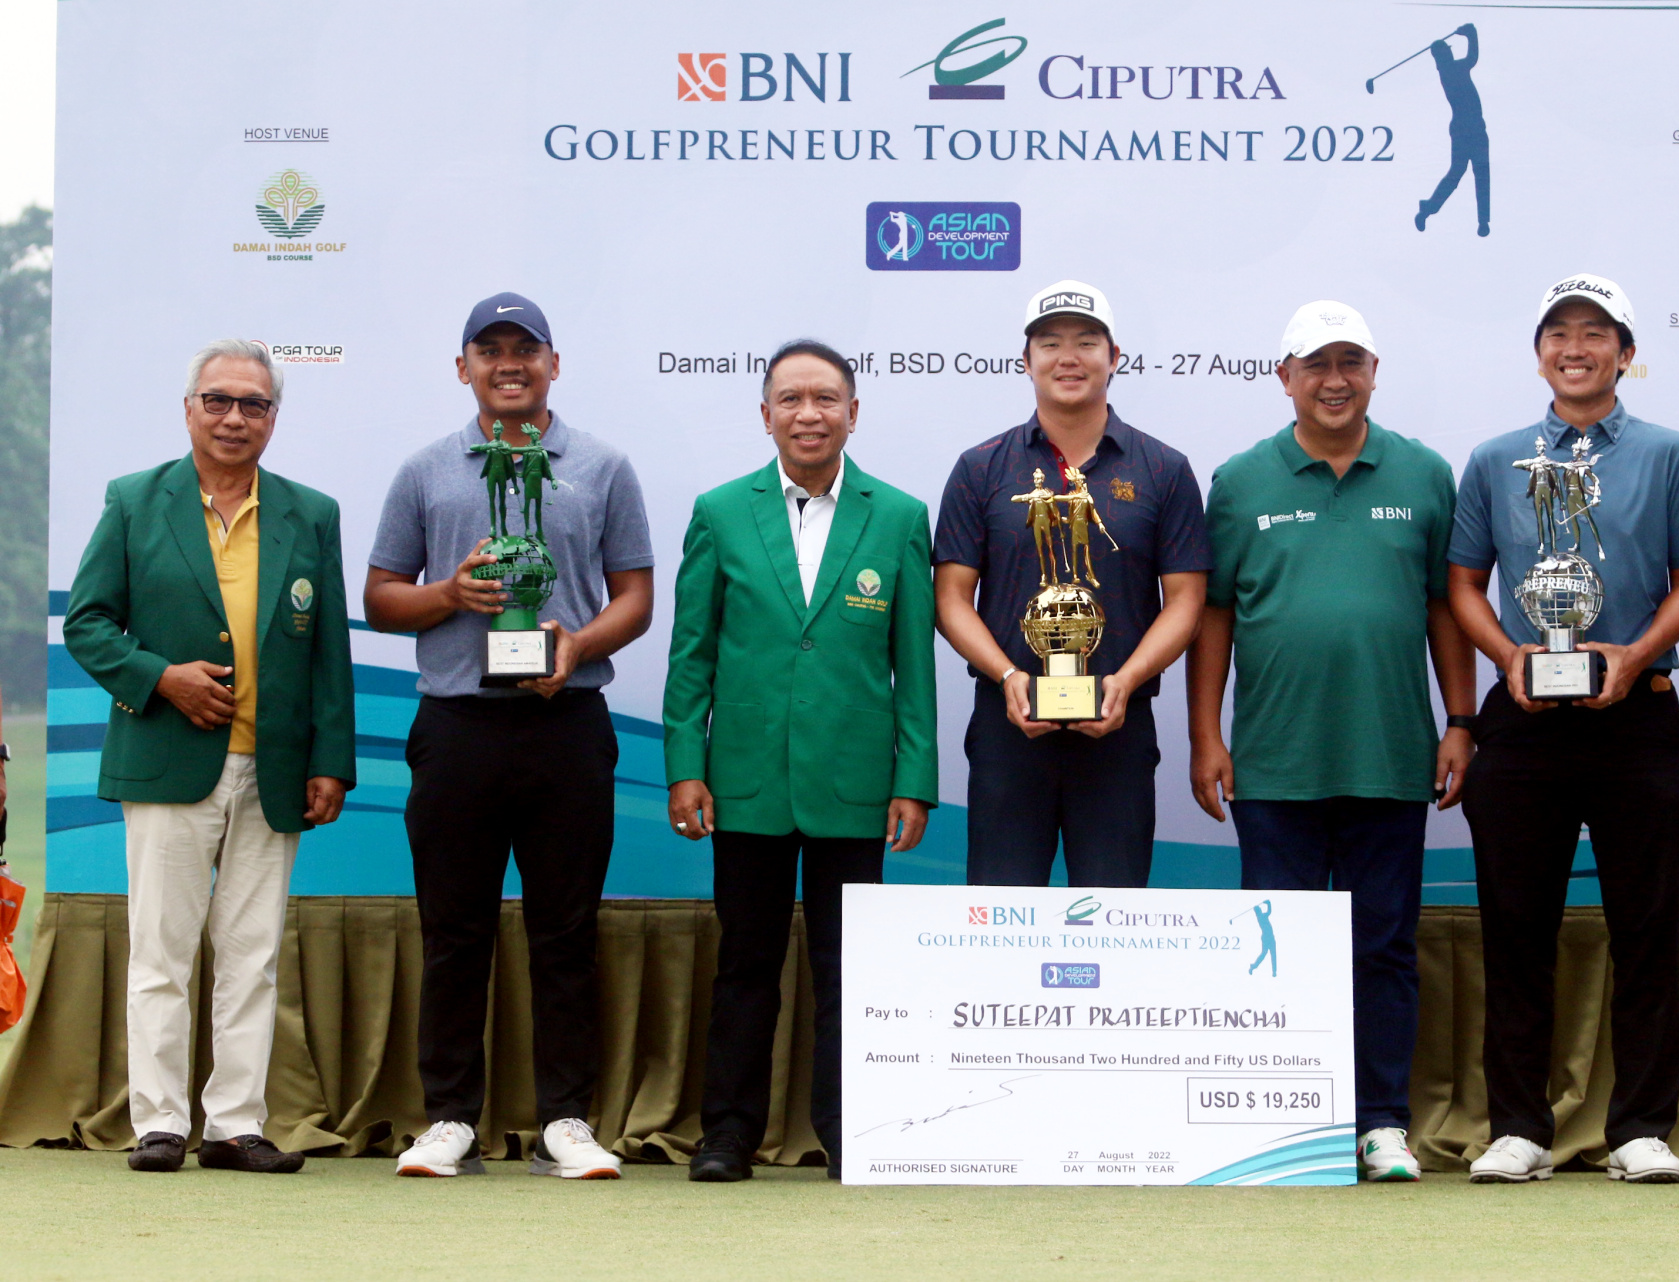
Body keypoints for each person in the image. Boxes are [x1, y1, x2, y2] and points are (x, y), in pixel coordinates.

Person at [365, 293, 655, 1180]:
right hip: (457, 725)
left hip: (567, 724)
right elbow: (381, 598)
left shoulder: (603, 466)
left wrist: (578, 645)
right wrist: (449, 595)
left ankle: (565, 1120)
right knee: (454, 931)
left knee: (566, 931)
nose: (508, 364)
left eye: (525, 348)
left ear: (553, 364)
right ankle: (450, 1118)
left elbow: (636, 598)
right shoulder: (425, 470)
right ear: (464, 368)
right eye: (489, 350)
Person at [1188, 300, 1475, 1183]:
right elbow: (1214, 617)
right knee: (1278, 948)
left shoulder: (1424, 473)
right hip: (1275, 762)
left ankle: (1381, 1122)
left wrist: (1460, 720)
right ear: (1285, 378)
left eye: (1351, 362)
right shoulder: (1241, 481)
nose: (1335, 380)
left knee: (1383, 946)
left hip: (1389, 756)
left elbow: (1445, 608)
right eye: (1315, 364)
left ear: (1374, 372)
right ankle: (1289, 1117)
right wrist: (1206, 736)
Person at [64, 338, 354, 1174]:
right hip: (167, 759)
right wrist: (162, 679)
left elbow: (328, 649)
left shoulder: (312, 513)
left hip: (275, 767)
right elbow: (87, 623)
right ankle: (159, 1122)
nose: (234, 418)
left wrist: (331, 759)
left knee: (252, 955)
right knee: (161, 952)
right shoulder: (133, 500)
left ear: (274, 417)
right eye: (218, 400)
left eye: (253, 404)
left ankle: (234, 1124)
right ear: (188, 408)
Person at [1447, 275, 1679, 1185]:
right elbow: (1463, 585)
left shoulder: (1671, 455)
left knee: (1647, 927)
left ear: (1626, 354)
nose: (1575, 347)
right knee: (1515, 928)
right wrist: (1508, 658)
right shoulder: (1495, 460)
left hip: (1638, 718)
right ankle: (1519, 1126)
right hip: (1523, 724)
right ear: (1538, 355)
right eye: (1558, 333)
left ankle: (1641, 1127)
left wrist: (1634, 656)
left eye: (1596, 333)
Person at [665, 339, 938, 1183]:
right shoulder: (720, 511)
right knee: (745, 964)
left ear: (854, 412)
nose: (808, 414)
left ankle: (850, 1132)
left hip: (855, 781)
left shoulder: (898, 516)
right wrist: (685, 764)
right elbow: (691, 654)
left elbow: (914, 665)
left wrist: (914, 780)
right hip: (744, 779)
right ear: (765, 415)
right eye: (791, 399)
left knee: (845, 966)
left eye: (825, 399)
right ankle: (727, 1135)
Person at [934, 279, 1211, 888]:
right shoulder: (980, 467)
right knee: (1002, 913)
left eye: (1087, 342)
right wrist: (1007, 676)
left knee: (1113, 914)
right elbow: (950, 599)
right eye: (1050, 343)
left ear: (1114, 358)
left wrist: (1127, 680)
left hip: (1119, 723)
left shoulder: (1164, 468)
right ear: (1025, 360)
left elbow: (1186, 602)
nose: (1069, 358)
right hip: (1009, 724)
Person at [1414, 23, 1489, 237]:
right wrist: (1471, 33)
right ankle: (1482, 221)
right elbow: (1473, 57)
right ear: (1444, 56)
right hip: (1470, 127)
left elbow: (1471, 58)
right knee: (1479, 173)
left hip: (1465, 126)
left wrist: (1470, 34)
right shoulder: (1453, 70)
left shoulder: (1448, 70)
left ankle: (1429, 208)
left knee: (1459, 172)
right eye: (1447, 51)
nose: (1450, 52)